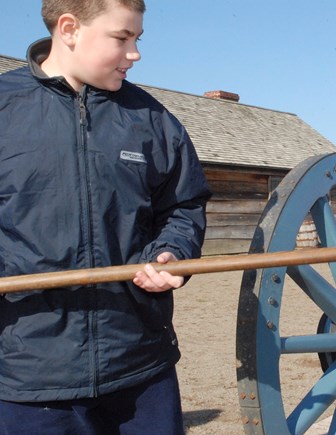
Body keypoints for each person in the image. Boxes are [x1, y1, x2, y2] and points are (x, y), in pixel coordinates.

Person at [0, 1, 212, 433]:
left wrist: (172, 251)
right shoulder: (5, 109)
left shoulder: (153, 119)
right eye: (122, 38)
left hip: (140, 368)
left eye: (137, 39)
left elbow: (183, 206)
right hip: (29, 379)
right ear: (69, 28)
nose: (135, 53)